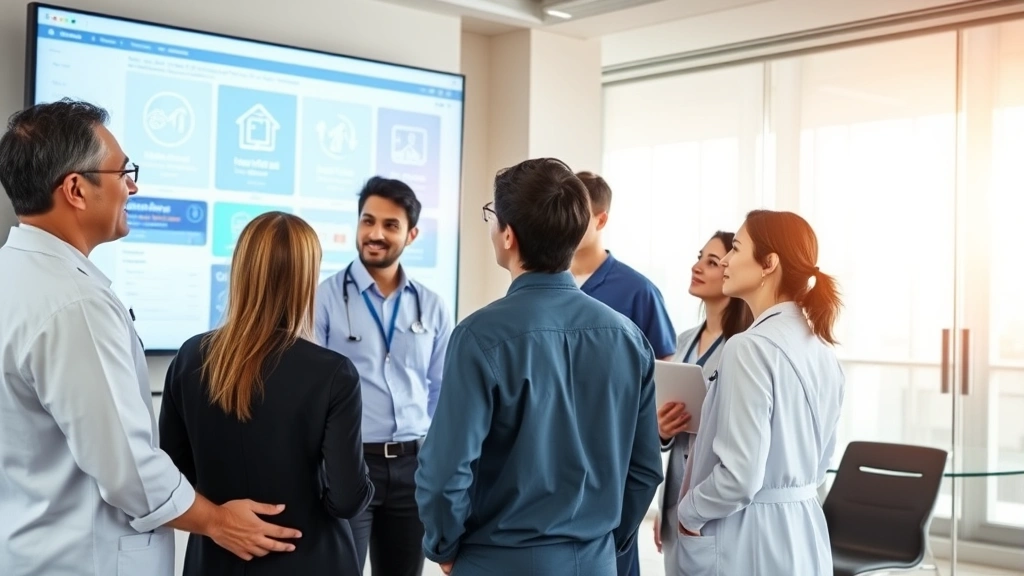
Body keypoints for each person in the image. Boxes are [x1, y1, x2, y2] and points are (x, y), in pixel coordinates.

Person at [0, 99, 301, 576]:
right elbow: (129, 469)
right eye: (123, 172)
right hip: (83, 560)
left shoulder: (14, 274)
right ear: (76, 189)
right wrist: (218, 520)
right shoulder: (75, 305)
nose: (133, 186)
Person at [415, 158, 664, 576]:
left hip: (498, 560)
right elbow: (643, 470)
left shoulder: (479, 337)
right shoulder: (628, 338)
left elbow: (444, 474)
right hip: (596, 561)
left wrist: (443, 546)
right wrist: (604, 543)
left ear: (508, 235)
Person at [159, 212, 375, 575]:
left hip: (216, 560)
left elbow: (170, 478)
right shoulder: (333, 374)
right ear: (307, 279)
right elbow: (347, 499)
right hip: (312, 560)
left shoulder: (189, 358)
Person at [675, 209, 845, 575]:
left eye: (735, 249)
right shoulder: (821, 350)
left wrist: (688, 512)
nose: (726, 262)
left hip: (750, 536)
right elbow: (819, 465)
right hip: (804, 530)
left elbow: (739, 477)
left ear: (769, 263)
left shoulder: (748, 347)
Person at [315, 176, 453, 576]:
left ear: (411, 234)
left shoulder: (432, 305)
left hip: (413, 468)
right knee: (341, 569)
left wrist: (431, 452)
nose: (375, 234)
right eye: (367, 221)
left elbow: (441, 389)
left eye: (390, 225)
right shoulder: (323, 298)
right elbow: (312, 393)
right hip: (349, 462)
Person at [570, 171, 675, 576]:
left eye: (578, 214)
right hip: (554, 451)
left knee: (612, 554)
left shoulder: (637, 291)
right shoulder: (539, 283)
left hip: (611, 455)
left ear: (601, 219)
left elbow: (663, 371)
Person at [651, 231, 752, 574]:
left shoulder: (743, 347)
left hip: (714, 501)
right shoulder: (683, 341)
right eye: (699, 257)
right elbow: (667, 424)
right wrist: (662, 430)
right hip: (676, 494)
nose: (698, 267)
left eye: (712, 262)